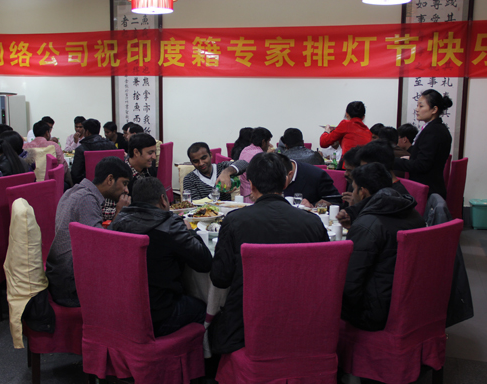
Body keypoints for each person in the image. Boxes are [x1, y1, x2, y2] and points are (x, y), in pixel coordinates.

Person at [208, 152, 329, 354]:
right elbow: (324, 276)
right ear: (285, 182)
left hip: (246, 327)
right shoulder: (312, 222)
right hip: (304, 323)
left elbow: (220, 278)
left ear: (251, 185)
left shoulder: (235, 221)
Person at [336, 162, 425, 384]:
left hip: (376, 311)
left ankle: (347, 370)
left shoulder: (369, 224)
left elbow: (350, 286)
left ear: (363, 191)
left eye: (354, 188)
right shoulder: (412, 212)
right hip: (411, 303)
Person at [111, 177, 212, 337]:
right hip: (159, 316)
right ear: (163, 200)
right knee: (206, 309)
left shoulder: (118, 221)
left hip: (122, 311)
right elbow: (205, 262)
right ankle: (201, 353)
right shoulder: (170, 225)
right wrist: (190, 231)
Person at [46, 157, 132, 307]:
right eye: (124, 183)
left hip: (59, 276)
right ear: (110, 179)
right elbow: (101, 246)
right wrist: (120, 212)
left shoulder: (74, 191)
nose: (126, 190)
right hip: (70, 286)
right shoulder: (86, 200)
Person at [393, 89, 453, 199]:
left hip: (427, 191)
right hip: (431, 186)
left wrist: (392, 161)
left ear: (434, 109)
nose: (417, 109)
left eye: (421, 106)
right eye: (417, 106)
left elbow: (421, 165)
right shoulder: (436, 128)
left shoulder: (433, 131)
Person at [319, 101, 372, 167]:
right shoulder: (368, 131)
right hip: (364, 168)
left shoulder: (345, 124)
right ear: (363, 117)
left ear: (347, 114)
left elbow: (323, 143)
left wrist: (326, 131)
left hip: (348, 167)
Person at [71, 118, 116, 184]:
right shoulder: (111, 145)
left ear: (87, 132)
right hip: (110, 184)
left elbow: (76, 174)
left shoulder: (81, 149)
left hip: (88, 185)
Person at [238, 127, 273, 201]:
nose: (269, 145)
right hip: (254, 196)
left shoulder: (245, 150)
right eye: (268, 142)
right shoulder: (260, 156)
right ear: (263, 142)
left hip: (243, 193)